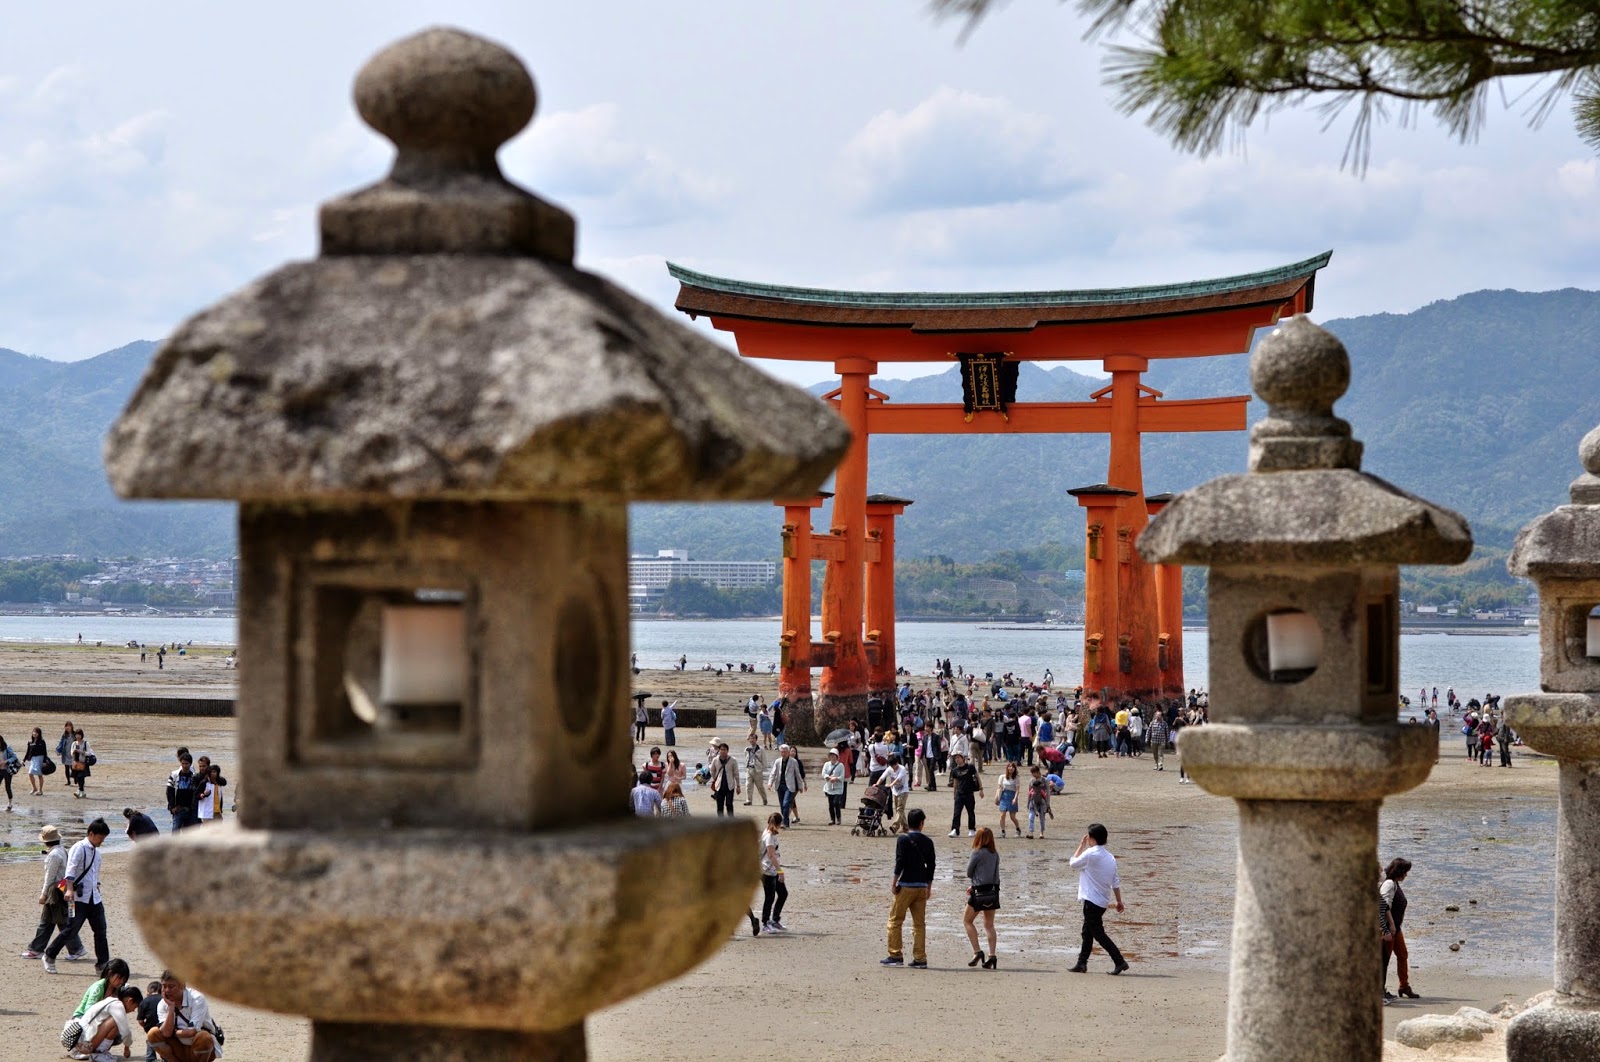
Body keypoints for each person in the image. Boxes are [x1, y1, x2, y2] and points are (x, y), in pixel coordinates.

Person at [44, 818, 114, 973]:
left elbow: (95, 875)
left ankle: (102, 964)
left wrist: (98, 888)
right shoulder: (79, 848)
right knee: (71, 929)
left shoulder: (97, 852)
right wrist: (69, 890)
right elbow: (70, 870)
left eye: (104, 838)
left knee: (101, 931)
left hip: (94, 898)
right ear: (91, 834)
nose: (102, 840)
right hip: (78, 898)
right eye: (100, 837)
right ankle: (49, 954)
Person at [1068, 823, 1128, 974]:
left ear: (1092, 838)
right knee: (1087, 932)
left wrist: (1080, 846)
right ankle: (1082, 963)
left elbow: (1073, 864)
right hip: (1101, 902)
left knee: (1098, 934)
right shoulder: (1110, 857)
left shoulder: (1091, 853)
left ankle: (1119, 961)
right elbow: (1115, 881)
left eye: (1088, 836)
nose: (1087, 839)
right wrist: (1119, 901)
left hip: (1091, 901)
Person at [881, 807, 935, 968]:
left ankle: (895, 954)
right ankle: (920, 958)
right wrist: (929, 886)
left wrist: (894, 882)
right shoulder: (928, 841)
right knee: (919, 924)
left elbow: (900, 862)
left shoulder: (903, 840)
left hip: (906, 886)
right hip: (921, 886)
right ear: (921, 823)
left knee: (895, 921)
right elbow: (931, 865)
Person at [22, 824, 85, 960]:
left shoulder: (54, 855)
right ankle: (75, 948)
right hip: (62, 889)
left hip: (55, 891)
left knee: (52, 921)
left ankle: (74, 948)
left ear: (46, 841)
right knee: (54, 920)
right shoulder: (62, 850)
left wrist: (43, 894)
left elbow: (50, 877)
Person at [148, 971, 221, 1061]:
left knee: (203, 1037)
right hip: (178, 1047)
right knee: (153, 1033)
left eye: (171, 987)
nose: (167, 990)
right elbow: (166, 1033)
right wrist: (171, 1007)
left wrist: (173, 1033)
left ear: (182, 985)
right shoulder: (163, 1004)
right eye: (164, 986)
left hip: (199, 1048)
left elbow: (192, 1032)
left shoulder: (197, 999)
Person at [69, 983, 143, 1062]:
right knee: (115, 1022)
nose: (133, 1010)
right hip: (83, 1046)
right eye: (134, 1007)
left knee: (116, 1025)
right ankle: (98, 1054)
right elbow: (126, 1032)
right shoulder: (117, 1006)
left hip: (80, 1043)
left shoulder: (111, 1000)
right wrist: (127, 1048)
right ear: (130, 1001)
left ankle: (99, 1053)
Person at [964, 826, 1001, 970]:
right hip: (991, 891)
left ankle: (977, 952)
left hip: (978, 893)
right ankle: (992, 956)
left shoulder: (977, 853)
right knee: (989, 925)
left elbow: (969, 872)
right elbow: (995, 876)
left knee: (967, 921)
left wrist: (974, 885)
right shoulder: (995, 854)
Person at [1381, 857, 1418, 1000]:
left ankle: (1404, 986)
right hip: (1389, 929)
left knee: (1403, 955)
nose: (1406, 875)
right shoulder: (1389, 884)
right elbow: (1384, 905)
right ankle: (1380, 990)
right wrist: (1388, 926)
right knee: (1384, 960)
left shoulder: (1395, 884)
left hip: (1396, 928)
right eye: (1405, 872)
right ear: (1399, 871)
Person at [759, 812, 787, 933]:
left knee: (783, 894)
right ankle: (765, 923)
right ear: (778, 823)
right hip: (767, 871)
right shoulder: (769, 836)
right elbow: (771, 855)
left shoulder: (772, 833)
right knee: (769, 897)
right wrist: (780, 871)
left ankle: (775, 920)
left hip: (773, 870)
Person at [948, 752, 984, 836]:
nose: (957, 759)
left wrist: (981, 789)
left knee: (970, 812)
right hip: (959, 794)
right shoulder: (955, 770)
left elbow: (977, 777)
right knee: (956, 813)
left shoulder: (970, 767)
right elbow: (955, 783)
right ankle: (955, 830)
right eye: (955, 758)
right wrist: (955, 794)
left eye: (958, 757)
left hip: (969, 793)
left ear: (962, 758)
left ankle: (972, 829)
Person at [770, 743, 806, 828]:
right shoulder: (777, 761)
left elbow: (797, 774)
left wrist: (800, 786)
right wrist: (770, 783)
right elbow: (773, 773)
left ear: (788, 752)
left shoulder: (793, 762)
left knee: (786, 803)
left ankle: (785, 823)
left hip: (789, 786)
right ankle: (785, 820)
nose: (783, 753)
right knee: (782, 804)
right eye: (782, 752)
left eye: (785, 752)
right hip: (779, 785)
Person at [166, 754, 200, 832]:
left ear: (190, 764)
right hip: (178, 808)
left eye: (186, 764)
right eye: (183, 763)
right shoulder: (174, 775)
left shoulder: (194, 777)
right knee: (175, 831)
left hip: (190, 809)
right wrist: (172, 806)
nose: (184, 766)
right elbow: (169, 791)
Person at [707, 742, 739, 816]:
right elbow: (712, 770)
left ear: (727, 751)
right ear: (719, 750)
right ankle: (721, 823)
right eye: (721, 749)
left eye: (724, 749)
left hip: (730, 786)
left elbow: (736, 773)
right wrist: (715, 778)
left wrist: (738, 786)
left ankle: (731, 821)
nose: (723, 751)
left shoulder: (733, 760)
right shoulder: (715, 760)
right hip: (719, 786)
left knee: (729, 804)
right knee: (719, 805)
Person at [883, 754, 910, 833]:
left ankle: (895, 826)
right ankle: (905, 827)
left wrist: (891, 784)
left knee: (900, 808)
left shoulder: (902, 769)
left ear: (897, 763)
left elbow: (898, 779)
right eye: (891, 766)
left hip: (903, 790)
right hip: (895, 791)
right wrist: (876, 784)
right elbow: (883, 776)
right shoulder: (890, 768)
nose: (892, 768)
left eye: (893, 765)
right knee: (899, 809)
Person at [821, 748, 847, 825]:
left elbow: (842, 776)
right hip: (829, 787)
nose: (832, 757)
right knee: (830, 804)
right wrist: (828, 777)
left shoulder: (841, 765)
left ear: (837, 756)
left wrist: (836, 778)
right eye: (831, 755)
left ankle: (838, 818)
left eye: (834, 755)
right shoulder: (826, 764)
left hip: (838, 787)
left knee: (836, 802)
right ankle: (832, 819)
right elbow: (823, 773)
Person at [995, 762, 1021, 838]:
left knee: (1012, 816)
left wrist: (1015, 798)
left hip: (1012, 796)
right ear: (1007, 768)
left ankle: (1018, 828)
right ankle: (1003, 831)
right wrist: (997, 798)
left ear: (1014, 768)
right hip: (1004, 796)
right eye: (1009, 766)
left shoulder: (1016, 778)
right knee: (1002, 815)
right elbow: (999, 788)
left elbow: (1017, 790)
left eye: (1012, 767)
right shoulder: (1002, 777)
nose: (1011, 768)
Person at [1025, 765, 1051, 839]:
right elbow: (1029, 792)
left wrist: (1048, 804)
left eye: (1034, 773)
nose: (1033, 775)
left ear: (1038, 772)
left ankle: (1041, 833)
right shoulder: (1031, 781)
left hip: (1042, 802)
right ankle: (1031, 833)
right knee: (1031, 817)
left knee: (1042, 818)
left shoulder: (1045, 780)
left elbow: (1048, 793)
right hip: (1033, 802)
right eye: (1032, 773)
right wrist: (1028, 803)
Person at [743, 735, 770, 806]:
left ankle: (764, 799)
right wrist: (746, 767)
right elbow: (746, 758)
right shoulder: (746, 749)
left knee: (760, 786)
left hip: (757, 770)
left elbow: (764, 760)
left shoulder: (760, 749)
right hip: (749, 768)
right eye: (750, 739)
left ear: (756, 740)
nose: (752, 740)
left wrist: (763, 769)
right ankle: (749, 800)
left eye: (753, 738)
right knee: (748, 785)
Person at [69, 728, 94, 798]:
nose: (77, 736)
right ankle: (81, 792)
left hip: (83, 763)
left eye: (79, 735)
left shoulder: (86, 743)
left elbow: (90, 753)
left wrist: (81, 752)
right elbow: (71, 753)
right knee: (77, 777)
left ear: (81, 735)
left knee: (81, 777)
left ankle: (80, 791)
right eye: (76, 735)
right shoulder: (74, 743)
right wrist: (74, 752)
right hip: (76, 763)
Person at [25, 725, 48, 796]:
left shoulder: (42, 742)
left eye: (36, 732)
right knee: (30, 773)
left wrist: (44, 761)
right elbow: (28, 752)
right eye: (34, 732)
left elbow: (45, 752)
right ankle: (34, 788)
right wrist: (24, 760)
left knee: (39, 775)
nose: (35, 733)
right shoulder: (30, 742)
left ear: (39, 734)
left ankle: (40, 790)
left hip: (40, 758)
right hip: (33, 759)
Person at [0, 733, 18, 810]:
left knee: (7, 787)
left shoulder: (7, 748)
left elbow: (14, 757)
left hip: (7, 770)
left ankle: (10, 803)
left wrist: (6, 761)